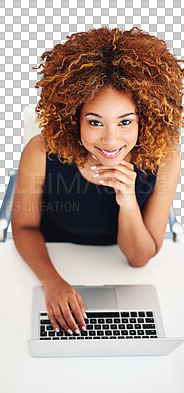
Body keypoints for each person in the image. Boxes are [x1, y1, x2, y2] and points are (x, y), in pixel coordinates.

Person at [11, 27, 183, 336]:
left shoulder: (166, 159)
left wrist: (128, 202)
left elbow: (139, 258)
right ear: (72, 117)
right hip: (54, 259)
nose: (111, 139)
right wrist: (53, 282)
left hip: (123, 276)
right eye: (94, 122)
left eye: (125, 122)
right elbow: (24, 227)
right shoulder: (40, 151)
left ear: (145, 118)